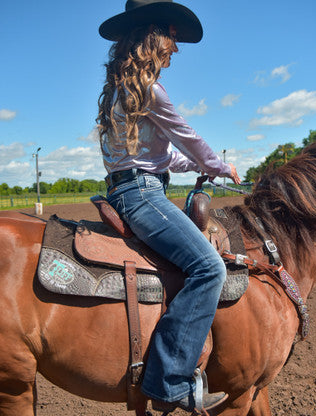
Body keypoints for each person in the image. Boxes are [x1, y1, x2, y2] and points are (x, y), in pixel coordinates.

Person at [97, 0, 241, 413]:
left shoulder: (124, 90)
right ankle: (170, 378)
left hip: (129, 188)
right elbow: (187, 136)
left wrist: (199, 167)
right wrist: (216, 164)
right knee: (209, 267)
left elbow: (159, 156)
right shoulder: (152, 92)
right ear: (153, 37)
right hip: (143, 195)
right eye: (172, 38)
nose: (175, 48)